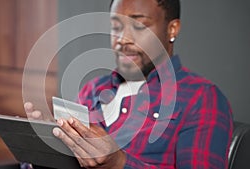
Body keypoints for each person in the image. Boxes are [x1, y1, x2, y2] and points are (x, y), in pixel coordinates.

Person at [25, 0, 233, 168]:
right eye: (116, 27)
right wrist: (47, 148)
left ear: (172, 29)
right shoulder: (92, 90)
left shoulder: (202, 98)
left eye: (138, 25)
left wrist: (118, 163)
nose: (122, 39)